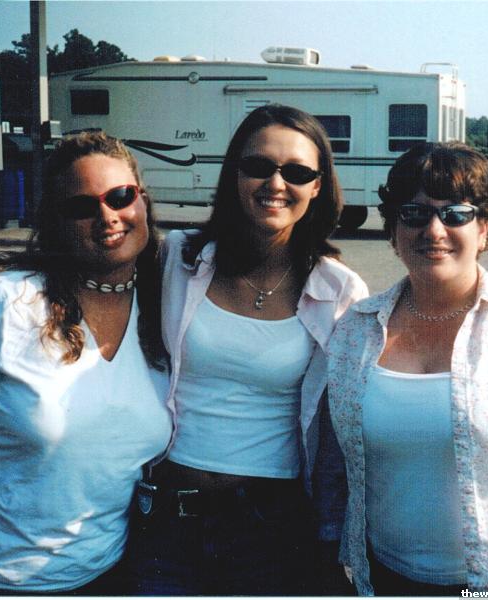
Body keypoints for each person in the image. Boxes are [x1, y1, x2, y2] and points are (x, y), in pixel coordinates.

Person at [126, 104, 368, 595]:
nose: (275, 183)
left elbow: (340, 428)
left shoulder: (339, 291)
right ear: (234, 174)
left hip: (272, 528)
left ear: (318, 186)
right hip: (167, 516)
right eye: (259, 166)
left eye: (297, 172)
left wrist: (332, 533)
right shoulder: (177, 257)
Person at [0, 131, 172, 595]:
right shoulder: (1, 304)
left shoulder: (164, 308)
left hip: (108, 576)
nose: (107, 216)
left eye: (121, 196)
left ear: (143, 201)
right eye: (81, 207)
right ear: (56, 222)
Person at [327, 141, 488, 595]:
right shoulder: (355, 328)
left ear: (483, 229)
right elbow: (334, 463)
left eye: (455, 214)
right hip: (387, 577)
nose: (433, 230)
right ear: (393, 230)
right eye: (413, 214)